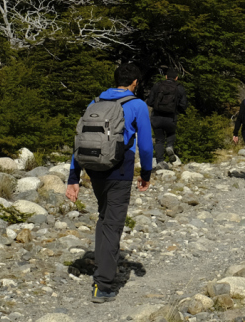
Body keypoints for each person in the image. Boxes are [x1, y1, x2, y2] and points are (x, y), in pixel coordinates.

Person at [66, 62, 154, 304]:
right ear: (135, 83)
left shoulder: (95, 103)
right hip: (120, 169)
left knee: (104, 216)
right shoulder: (137, 105)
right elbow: (146, 145)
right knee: (113, 223)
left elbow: (80, 141)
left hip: (94, 169)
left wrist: (73, 178)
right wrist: (146, 172)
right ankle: (103, 285)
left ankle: (102, 265)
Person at [147, 70, 187, 167]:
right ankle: (169, 146)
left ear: (166, 76)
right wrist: (177, 109)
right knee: (171, 133)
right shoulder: (179, 88)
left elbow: (150, 102)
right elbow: (183, 105)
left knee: (159, 140)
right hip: (171, 117)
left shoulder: (157, 85)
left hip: (157, 116)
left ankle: (160, 162)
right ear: (176, 78)